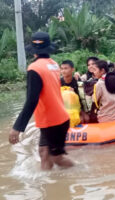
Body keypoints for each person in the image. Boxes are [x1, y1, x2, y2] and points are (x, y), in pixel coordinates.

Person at [8, 32, 73, 170]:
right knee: (44, 153)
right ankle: (48, 186)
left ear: (33, 51)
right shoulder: (53, 64)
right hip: (57, 118)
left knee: (57, 158)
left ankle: (81, 172)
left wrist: (18, 127)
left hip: (52, 121)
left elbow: (32, 100)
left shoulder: (34, 68)